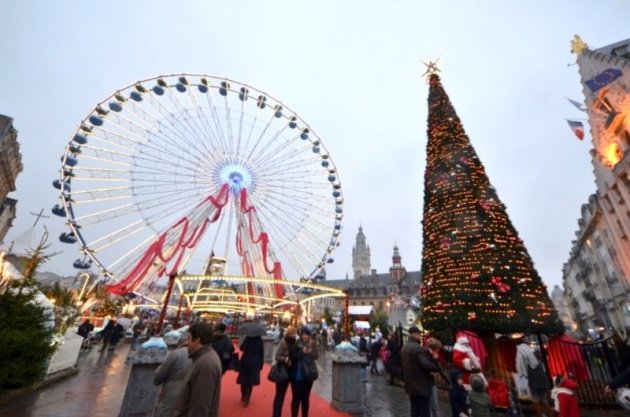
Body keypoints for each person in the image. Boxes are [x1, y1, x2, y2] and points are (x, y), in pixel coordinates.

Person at [171, 321, 222, 417]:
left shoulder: (205, 364)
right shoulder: (204, 357)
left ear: (197, 340)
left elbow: (200, 406)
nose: (186, 342)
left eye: (189, 338)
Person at [400, 325, 444, 417]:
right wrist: (435, 364)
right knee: (424, 411)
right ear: (415, 334)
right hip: (421, 385)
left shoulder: (404, 347)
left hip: (411, 384)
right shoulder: (418, 348)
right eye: (419, 334)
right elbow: (426, 365)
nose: (420, 336)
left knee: (415, 409)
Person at [153, 333, 193, 417]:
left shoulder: (176, 354)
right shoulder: (202, 356)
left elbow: (158, 378)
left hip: (171, 396)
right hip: (190, 399)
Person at [515, 338, 554, 417]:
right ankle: (551, 415)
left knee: (535, 399)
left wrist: (522, 374)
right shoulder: (532, 350)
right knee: (543, 399)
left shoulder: (520, 351)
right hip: (542, 377)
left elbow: (520, 365)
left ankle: (540, 415)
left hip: (533, 378)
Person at [289, 325, 320, 417]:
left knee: (305, 399)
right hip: (296, 375)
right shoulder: (296, 344)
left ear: (309, 335)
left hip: (308, 375)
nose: (305, 336)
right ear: (301, 335)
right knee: (296, 398)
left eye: (306, 334)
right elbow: (293, 357)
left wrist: (310, 352)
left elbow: (316, 356)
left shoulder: (313, 344)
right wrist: (302, 352)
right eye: (303, 334)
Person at [272, 326, 297, 417]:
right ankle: (276, 414)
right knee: (280, 395)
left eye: (295, 333)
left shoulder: (295, 343)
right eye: (293, 333)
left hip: (292, 372)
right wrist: (285, 359)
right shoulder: (284, 342)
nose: (295, 335)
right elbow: (277, 356)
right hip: (282, 371)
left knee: (293, 395)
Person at [236, 329, 265, 406]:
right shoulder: (260, 340)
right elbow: (261, 353)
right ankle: (246, 398)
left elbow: (241, 348)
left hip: (246, 359)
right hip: (255, 361)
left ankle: (243, 395)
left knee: (243, 379)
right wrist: (261, 364)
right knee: (250, 381)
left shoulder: (247, 338)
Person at [426, 337, 445, 417]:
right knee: (433, 405)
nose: (439, 351)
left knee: (433, 405)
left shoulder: (433, 356)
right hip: (427, 383)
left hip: (431, 383)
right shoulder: (427, 355)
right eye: (438, 349)